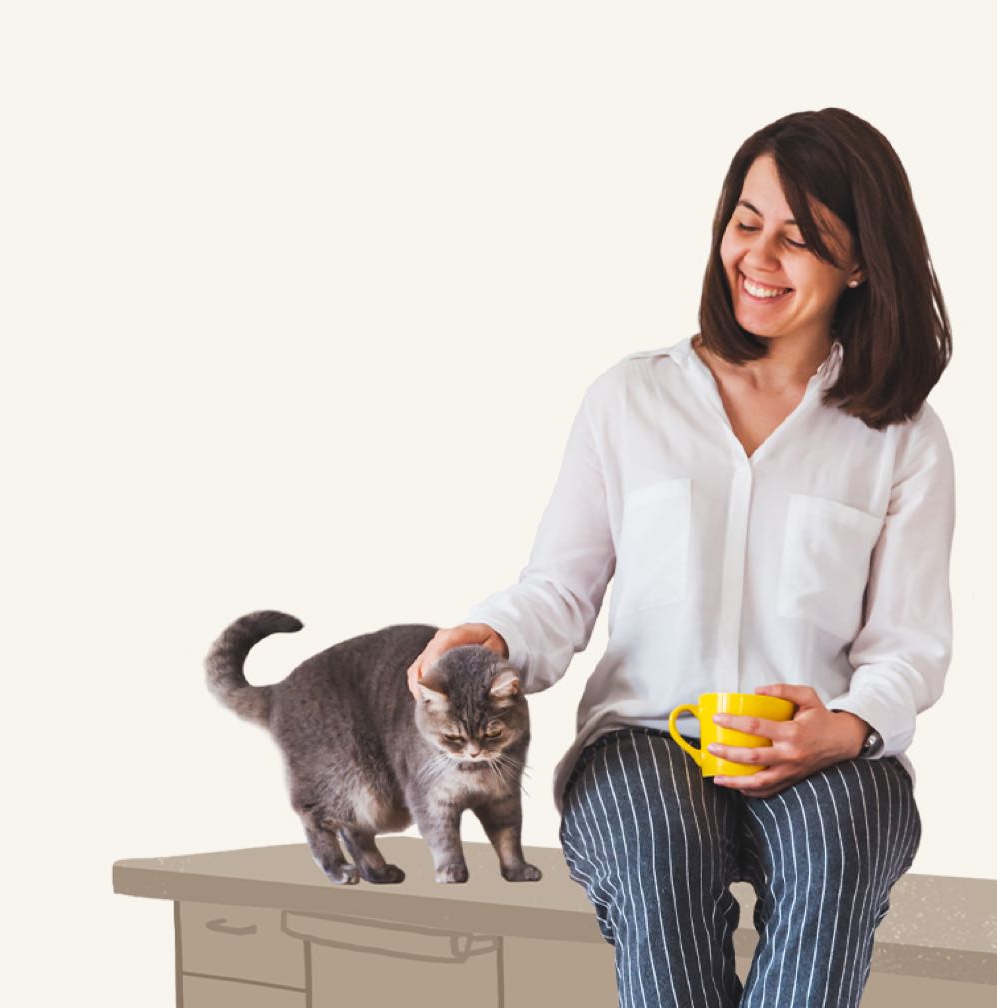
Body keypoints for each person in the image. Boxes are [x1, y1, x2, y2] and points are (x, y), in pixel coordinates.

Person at [406, 107, 954, 1008]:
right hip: (645, 740)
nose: (759, 258)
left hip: (824, 754)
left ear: (860, 262)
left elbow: (910, 646)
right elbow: (557, 590)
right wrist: (489, 637)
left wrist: (848, 727)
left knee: (837, 858)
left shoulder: (902, 437)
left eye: (801, 239)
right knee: (664, 865)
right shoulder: (630, 400)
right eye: (748, 223)